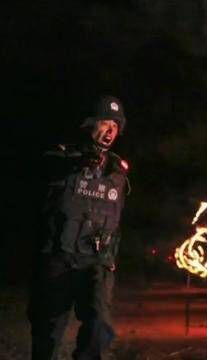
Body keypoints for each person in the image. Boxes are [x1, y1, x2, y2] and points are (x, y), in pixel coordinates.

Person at [28, 96, 130, 359]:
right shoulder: (61, 156)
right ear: (90, 124)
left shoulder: (118, 171)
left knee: (99, 325)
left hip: (96, 260)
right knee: (47, 334)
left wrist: (111, 257)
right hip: (59, 258)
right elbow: (46, 170)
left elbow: (117, 217)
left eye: (116, 127)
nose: (110, 131)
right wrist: (79, 161)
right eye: (105, 124)